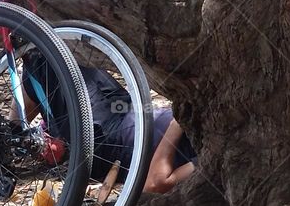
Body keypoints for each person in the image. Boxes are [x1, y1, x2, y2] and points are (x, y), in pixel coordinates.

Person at [22, 58, 196, 195]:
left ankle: (6, 139)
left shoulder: (213, 156)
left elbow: (155, 184)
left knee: (45, 58)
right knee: (72, 46)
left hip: (108, 142)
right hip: (127, 108)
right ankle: (13, 128)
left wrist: (178, 121)